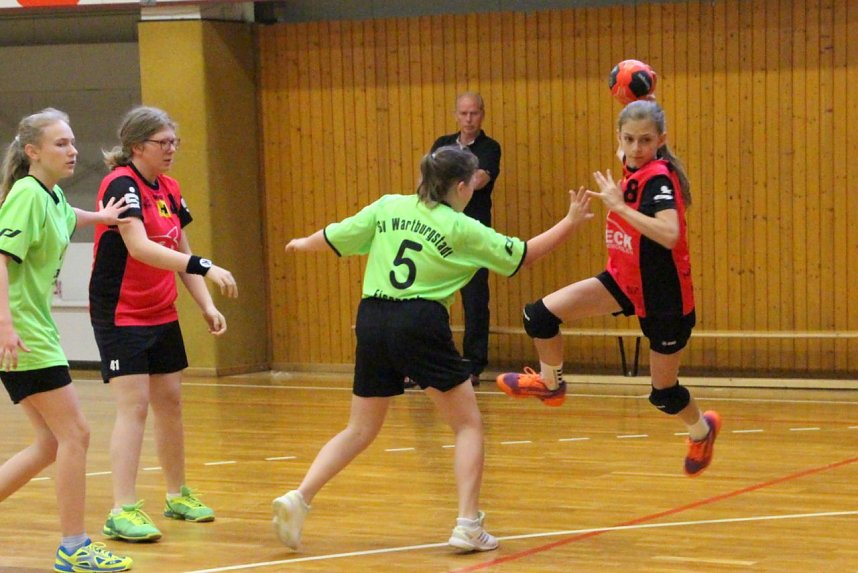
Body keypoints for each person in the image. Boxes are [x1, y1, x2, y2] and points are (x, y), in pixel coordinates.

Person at [273, 145, 593, 552]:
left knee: (360, 428)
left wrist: (303, 242)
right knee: (467, 424)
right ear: (460, 186)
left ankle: (299, 498)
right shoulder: (461, 226)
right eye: (472, 183)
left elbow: (338, 234)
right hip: (419, 321)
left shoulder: (389, 205)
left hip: (371, 318)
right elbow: (524, 255)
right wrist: (569, 222)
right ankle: (467, 524)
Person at [497, 100, 722, 477]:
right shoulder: (630, 160)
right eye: (629, 139)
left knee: (663, 395)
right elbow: (633, 122)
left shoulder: (659, 179)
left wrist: (620, 207)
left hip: (664, 298)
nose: (636, 148)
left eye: (646, 140)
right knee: (538, 316)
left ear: (661, 140)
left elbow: (669, 234)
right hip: (622, 279)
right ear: (618, 139)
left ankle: (702, 431)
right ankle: (551, 384)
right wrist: (640, 95)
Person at [89, 106, 238, 542]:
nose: (171, 149)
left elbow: (179, 249)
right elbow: (139, 248)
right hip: (120, 312)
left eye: (174, 141)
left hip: (161, 310)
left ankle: (177, 495)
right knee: (133, 406)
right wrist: (206, 265)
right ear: (137, 146)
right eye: (163, 142)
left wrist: (206, 304)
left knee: (169, 402)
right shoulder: (120, 185)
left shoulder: (169, 189)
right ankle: (122, 509)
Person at [0, 108, 132, 572]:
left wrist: (101, 216)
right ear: (32, 151)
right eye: (60, 143)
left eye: (73, 141)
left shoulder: (49, 195)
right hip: (24, 333)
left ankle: (74, 543)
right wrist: (5, 326)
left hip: (35, 330)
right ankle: (74, 546)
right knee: (75, 432)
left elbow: (66, 214)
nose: (73, 149)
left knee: (49, 445)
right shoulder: (24, 195)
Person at [426, 92, 501, 386]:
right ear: (456, 115)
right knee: (431, 298)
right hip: (438, 231)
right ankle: (432, 360)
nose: (469, 119)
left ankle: (473, 364)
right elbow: (428, 182)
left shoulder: (490, 147)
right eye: (463, 114)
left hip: (473, 235)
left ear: (482, 114)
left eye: (474, 113)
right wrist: (460, 176)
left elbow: (481, 179)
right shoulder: (441, 144)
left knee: (475, 299)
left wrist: (450, 176)